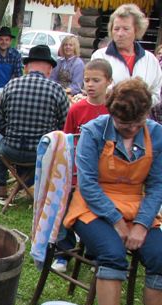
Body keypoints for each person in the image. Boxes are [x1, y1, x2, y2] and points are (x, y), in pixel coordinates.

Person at [63, 78, 162, 305]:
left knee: (159, 256)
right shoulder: (94, 131)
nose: (129, 129)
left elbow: (156, 185)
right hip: (93, 206)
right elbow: (88, 184)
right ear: (111, 113)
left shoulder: (156, 135)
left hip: (137, 207)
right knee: (112, 254)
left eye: (135, 123)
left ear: (146, 115)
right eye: (122, 123)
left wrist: (142, 225)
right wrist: (118, 222)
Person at [51, 59, 113, 273]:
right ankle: (64, 253)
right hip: (76, 171)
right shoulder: (76, 109)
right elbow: (67, 141)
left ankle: (95, 253)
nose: (90, 85)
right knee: (67, 209)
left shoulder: (112, 111)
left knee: (98, 211)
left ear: (109, 82)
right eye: (87, 80)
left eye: (96, 80)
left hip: (104, 174)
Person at [0, 44, 69, 198]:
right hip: (40, 153)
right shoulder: (57, 90)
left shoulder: (10, 85)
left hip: (10, 151)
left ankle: (1, 184)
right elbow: (64, 126)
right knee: (54, 144)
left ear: (26, 67)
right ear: (49, 69)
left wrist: (12, 134)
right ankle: (27, 183)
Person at [91, 3, 162, 104]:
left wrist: (140, 104)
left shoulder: (150, 60)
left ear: (136, 30)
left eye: (126, 29)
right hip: (108, 115)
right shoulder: (100, 57)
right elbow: (98, 89)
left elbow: (156, 94)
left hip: (140, 118)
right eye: (116, 29)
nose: (120, 34)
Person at [0, 26, 23, 93]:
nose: (4, 42)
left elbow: (18, 77)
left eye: (7, 40)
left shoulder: (15, 55)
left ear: (10, 41)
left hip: (9, 90)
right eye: (1, 39)